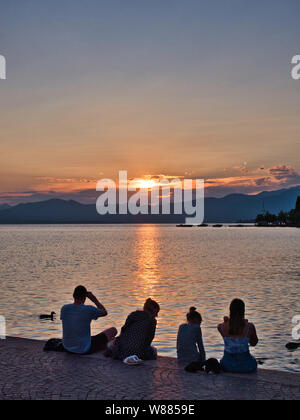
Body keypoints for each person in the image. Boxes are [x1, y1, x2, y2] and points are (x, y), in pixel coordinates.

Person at [60, 285, 117, 355]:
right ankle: (106, 345)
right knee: (113, 330)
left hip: (67, 347)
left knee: (92, 338)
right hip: (83, 349)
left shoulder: (64, 308)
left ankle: (105, 344)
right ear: (85, 297)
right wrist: (94, 300)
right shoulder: (88, 309)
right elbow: (104, 312)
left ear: (73, 296)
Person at [218, 299, 258, 373]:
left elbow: (232, 328)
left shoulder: (221, 327)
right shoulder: (249, 327)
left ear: (230, 310)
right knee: (254, 361)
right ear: (243, 311)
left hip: (227, 366)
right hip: (246, 366)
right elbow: (254, 343)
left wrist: (226, 321)